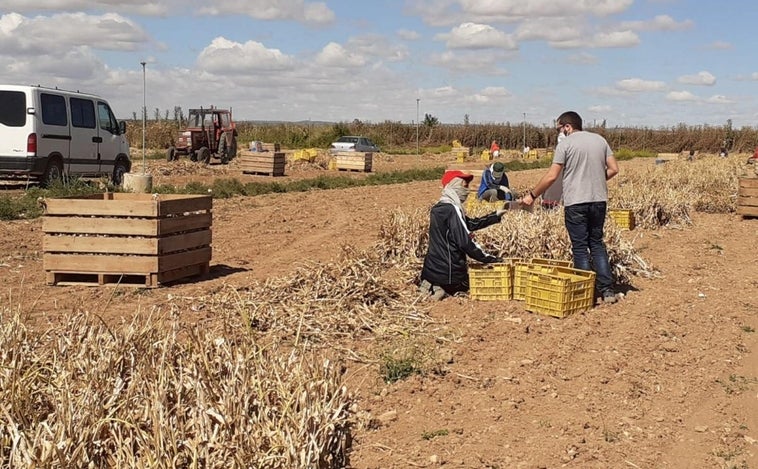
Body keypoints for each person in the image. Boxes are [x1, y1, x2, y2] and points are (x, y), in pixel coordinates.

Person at [520, 111, 620, 304]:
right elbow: (614, 168)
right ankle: (607, 291)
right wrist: (597, 179)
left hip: (576, 202)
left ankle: (584, 292)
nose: (560, 132)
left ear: (568, 126)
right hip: (599, 200)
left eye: (560, 128)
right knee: (597, 243)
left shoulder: (565, 144)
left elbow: (551, 176)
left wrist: (532, 195)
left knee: (580, 248)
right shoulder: (600, 140)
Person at [419, 170, 507, 300]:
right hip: (449, 273)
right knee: (467, 284)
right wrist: (490, 258)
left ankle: (433, 285)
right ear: (454, 186)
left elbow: (469, 223)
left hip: (431, 270)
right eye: (464, 186)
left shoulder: (438, 208)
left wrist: (495, 216)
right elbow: (465, 241)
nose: (467, 191)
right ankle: (443, 288)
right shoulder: (452, 209)